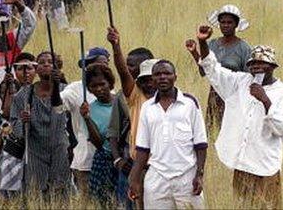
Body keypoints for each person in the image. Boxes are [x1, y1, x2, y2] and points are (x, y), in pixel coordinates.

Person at [197, 27, 283, 208]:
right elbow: (213, 69)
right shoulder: (240, 82)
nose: (256, 67)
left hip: (265, 166)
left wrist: (265, 100)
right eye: (253, 64)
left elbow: (282, 128)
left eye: (262, 64)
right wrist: (203, 42)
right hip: (241, 163)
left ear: (272, 67)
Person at [128, 59, 208, 209]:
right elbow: (143, 148)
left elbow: (201, 144)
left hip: (186, 176)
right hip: (157, 178)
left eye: (167, 73)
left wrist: (199, 174)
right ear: (152, 79)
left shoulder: (190, 103)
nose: (162, 77)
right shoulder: (147, 107)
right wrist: (135, 178)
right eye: (157, 74)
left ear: (175, 77)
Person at [11, 51, 71, 196]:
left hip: (60, 148)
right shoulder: (23, 95)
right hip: (34, 150)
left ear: (58, 68)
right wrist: (22, 120)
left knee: (60, 191)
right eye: (42, 62)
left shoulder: (66, 92)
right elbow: (14, 126)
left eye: (50, 62)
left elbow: (72, 119)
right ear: (36, 69)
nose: (46, 65)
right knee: (35, 192)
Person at [187, 5, 251, 134]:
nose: (226, 25)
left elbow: (247, 78)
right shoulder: (212, 44)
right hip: (215, 94)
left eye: (229, 22)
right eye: (223, 22)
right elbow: (204, 71)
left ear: (236, 25)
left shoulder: (244, 48)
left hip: (234, 95)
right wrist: (194, 53)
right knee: (212, 131)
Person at [107, 48, 154, 208]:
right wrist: (118, 160)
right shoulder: (128, 96)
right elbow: (113, 131)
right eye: (127, 66)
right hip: (131, 159)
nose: (128, 69)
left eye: (132, 66)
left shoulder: (168, 97)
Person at [60, 47, 109, 198]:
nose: (103, 67)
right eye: (98, 64)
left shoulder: (111, 90)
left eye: (106, 63)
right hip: (86, 158)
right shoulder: (74, 89)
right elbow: (58, 104)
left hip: (109, 158)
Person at [0, 52, 37, 195]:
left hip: (34, 161)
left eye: (29, 68)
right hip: (9, 164)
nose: (25, 72)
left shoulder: (38, 95)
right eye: (20, 69)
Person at [79, 63, 117, 206]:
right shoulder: (90, 109)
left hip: (125, 159)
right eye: (94, 86)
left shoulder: (122, 101)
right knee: (103, 201)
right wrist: (87, 118)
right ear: (89, 89)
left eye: (102, 84)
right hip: (104, 160)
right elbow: (98, 143)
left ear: (110, 83)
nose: (99, 89)